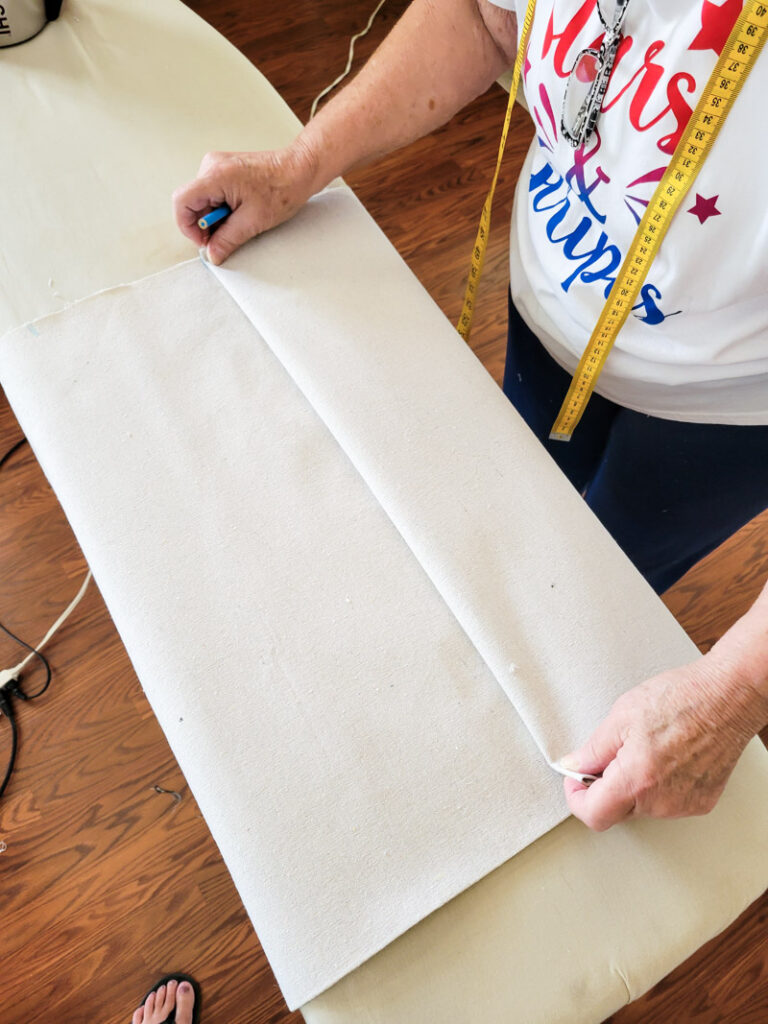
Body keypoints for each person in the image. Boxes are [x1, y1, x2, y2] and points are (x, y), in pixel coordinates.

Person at [172, 0, 768, 831]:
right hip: (548, 314)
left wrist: (734, 691)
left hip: (717, 424)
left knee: (596, 597)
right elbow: (488, 20)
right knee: (509, 525)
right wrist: (301, 163)